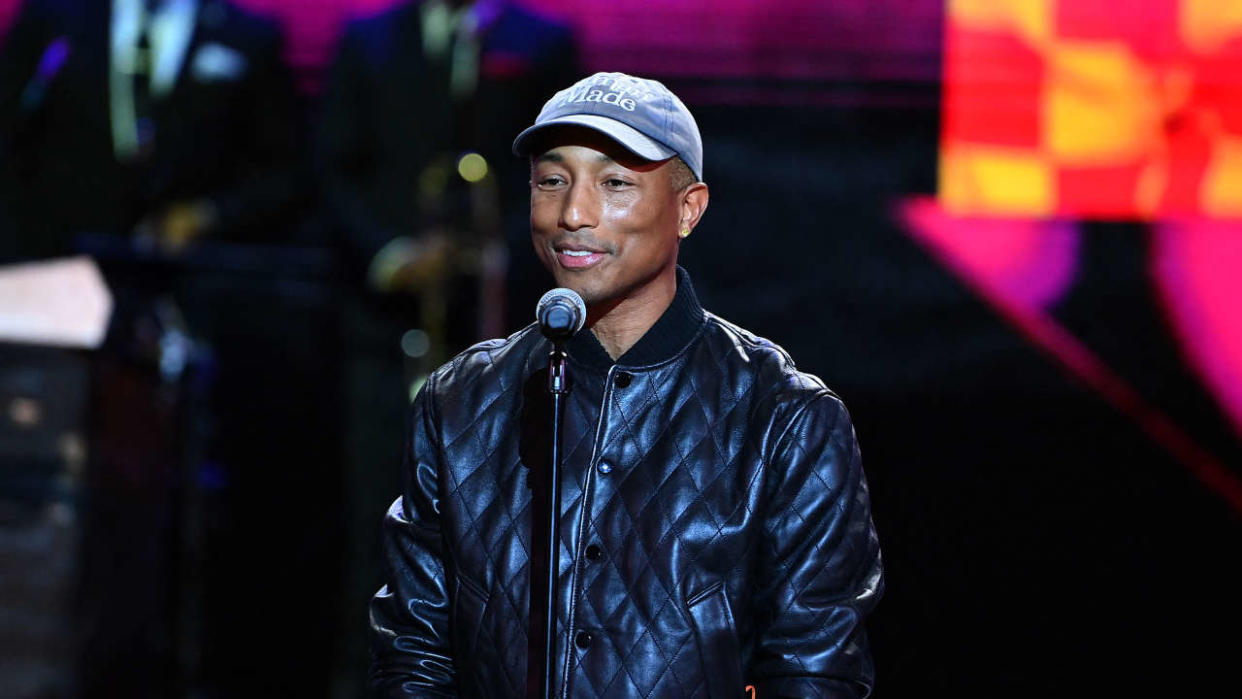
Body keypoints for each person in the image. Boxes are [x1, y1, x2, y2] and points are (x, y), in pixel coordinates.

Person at [369, 72, 884, 697]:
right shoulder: (458, 402)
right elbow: (415, 653)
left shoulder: (785, 417)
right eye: (551, 182)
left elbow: (816, 671)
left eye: (614, 183)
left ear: (688, 209)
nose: (573, 215)